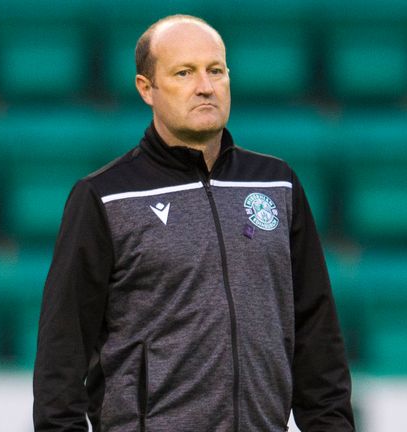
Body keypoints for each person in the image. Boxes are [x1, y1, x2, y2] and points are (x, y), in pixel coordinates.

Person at [33, 14, 355, 432]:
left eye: (215, 71)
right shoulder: (104, 197)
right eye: (184, 72)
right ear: (146, 88)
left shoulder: (277, 184)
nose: (205, 86)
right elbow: (62, 349)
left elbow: (316, 333)